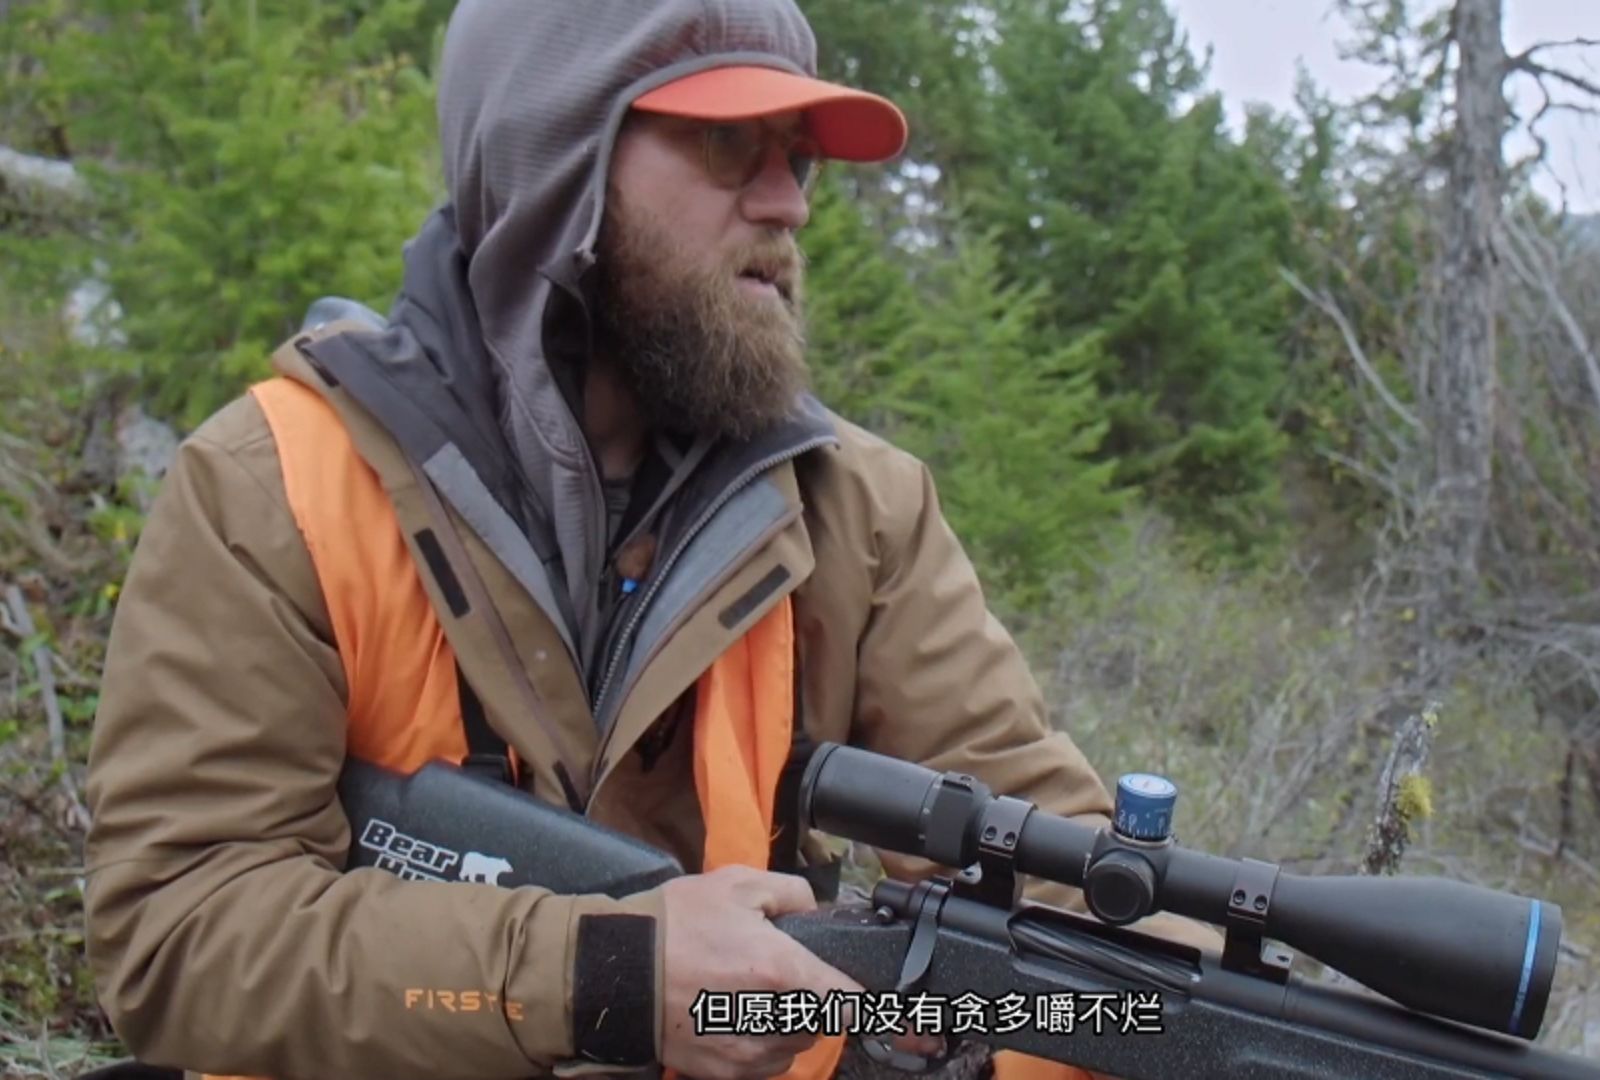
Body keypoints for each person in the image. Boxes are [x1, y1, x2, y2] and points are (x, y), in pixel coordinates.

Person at [82, 1, 1202, 1078]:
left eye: (796, 160)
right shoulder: (273, 486)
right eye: (729, 150)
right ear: (557, 168)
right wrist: (600, 978)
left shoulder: (861, 510)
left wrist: (1185, 1018)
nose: (789, 206)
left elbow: (1044, 871)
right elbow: (177, 936)